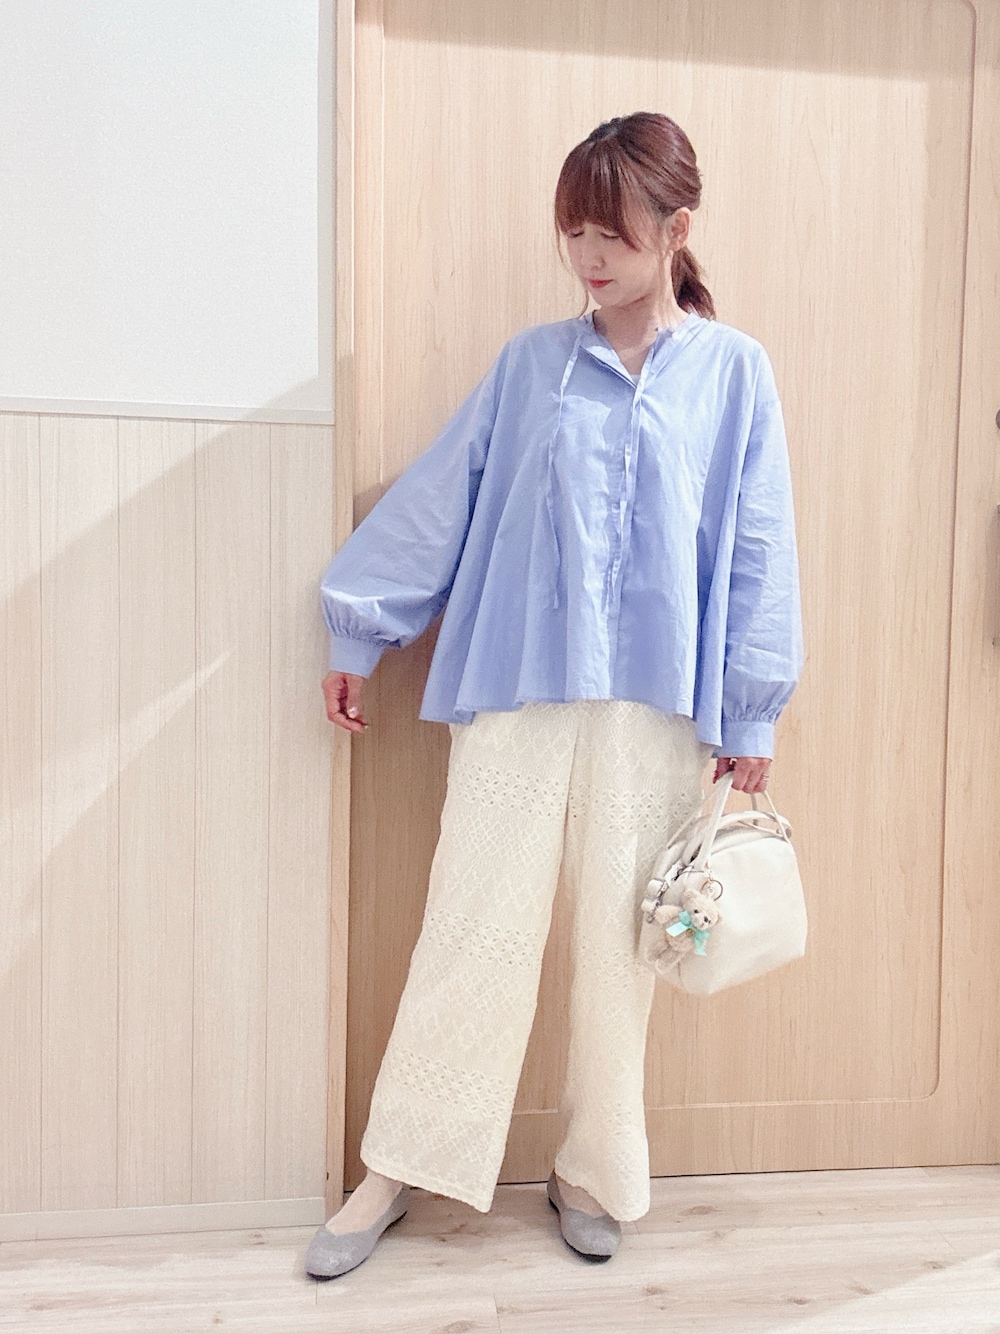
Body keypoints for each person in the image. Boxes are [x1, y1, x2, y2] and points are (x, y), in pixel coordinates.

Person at [306, 112, 802, 1280]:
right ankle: (402, 1163)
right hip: (520, 687)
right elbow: (442, 498)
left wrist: (751, 707)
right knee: (471, 925)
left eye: (611, 233)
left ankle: (593, 1168)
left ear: (675, 229)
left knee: (619, 954)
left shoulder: (734, 373)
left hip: (656, 706)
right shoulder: (530, 365)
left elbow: (759, 544)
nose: (588, 255)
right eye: (573, 230)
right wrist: (359, 626)